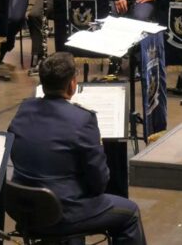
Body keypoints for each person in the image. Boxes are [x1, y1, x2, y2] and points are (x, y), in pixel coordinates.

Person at [8, 52, 146, 244]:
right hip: (63, 212)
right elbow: (99, 181)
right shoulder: (82, 119)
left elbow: (17, 154)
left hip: (24, 208)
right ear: (72, 84)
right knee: (130, 213)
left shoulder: (24, 109)